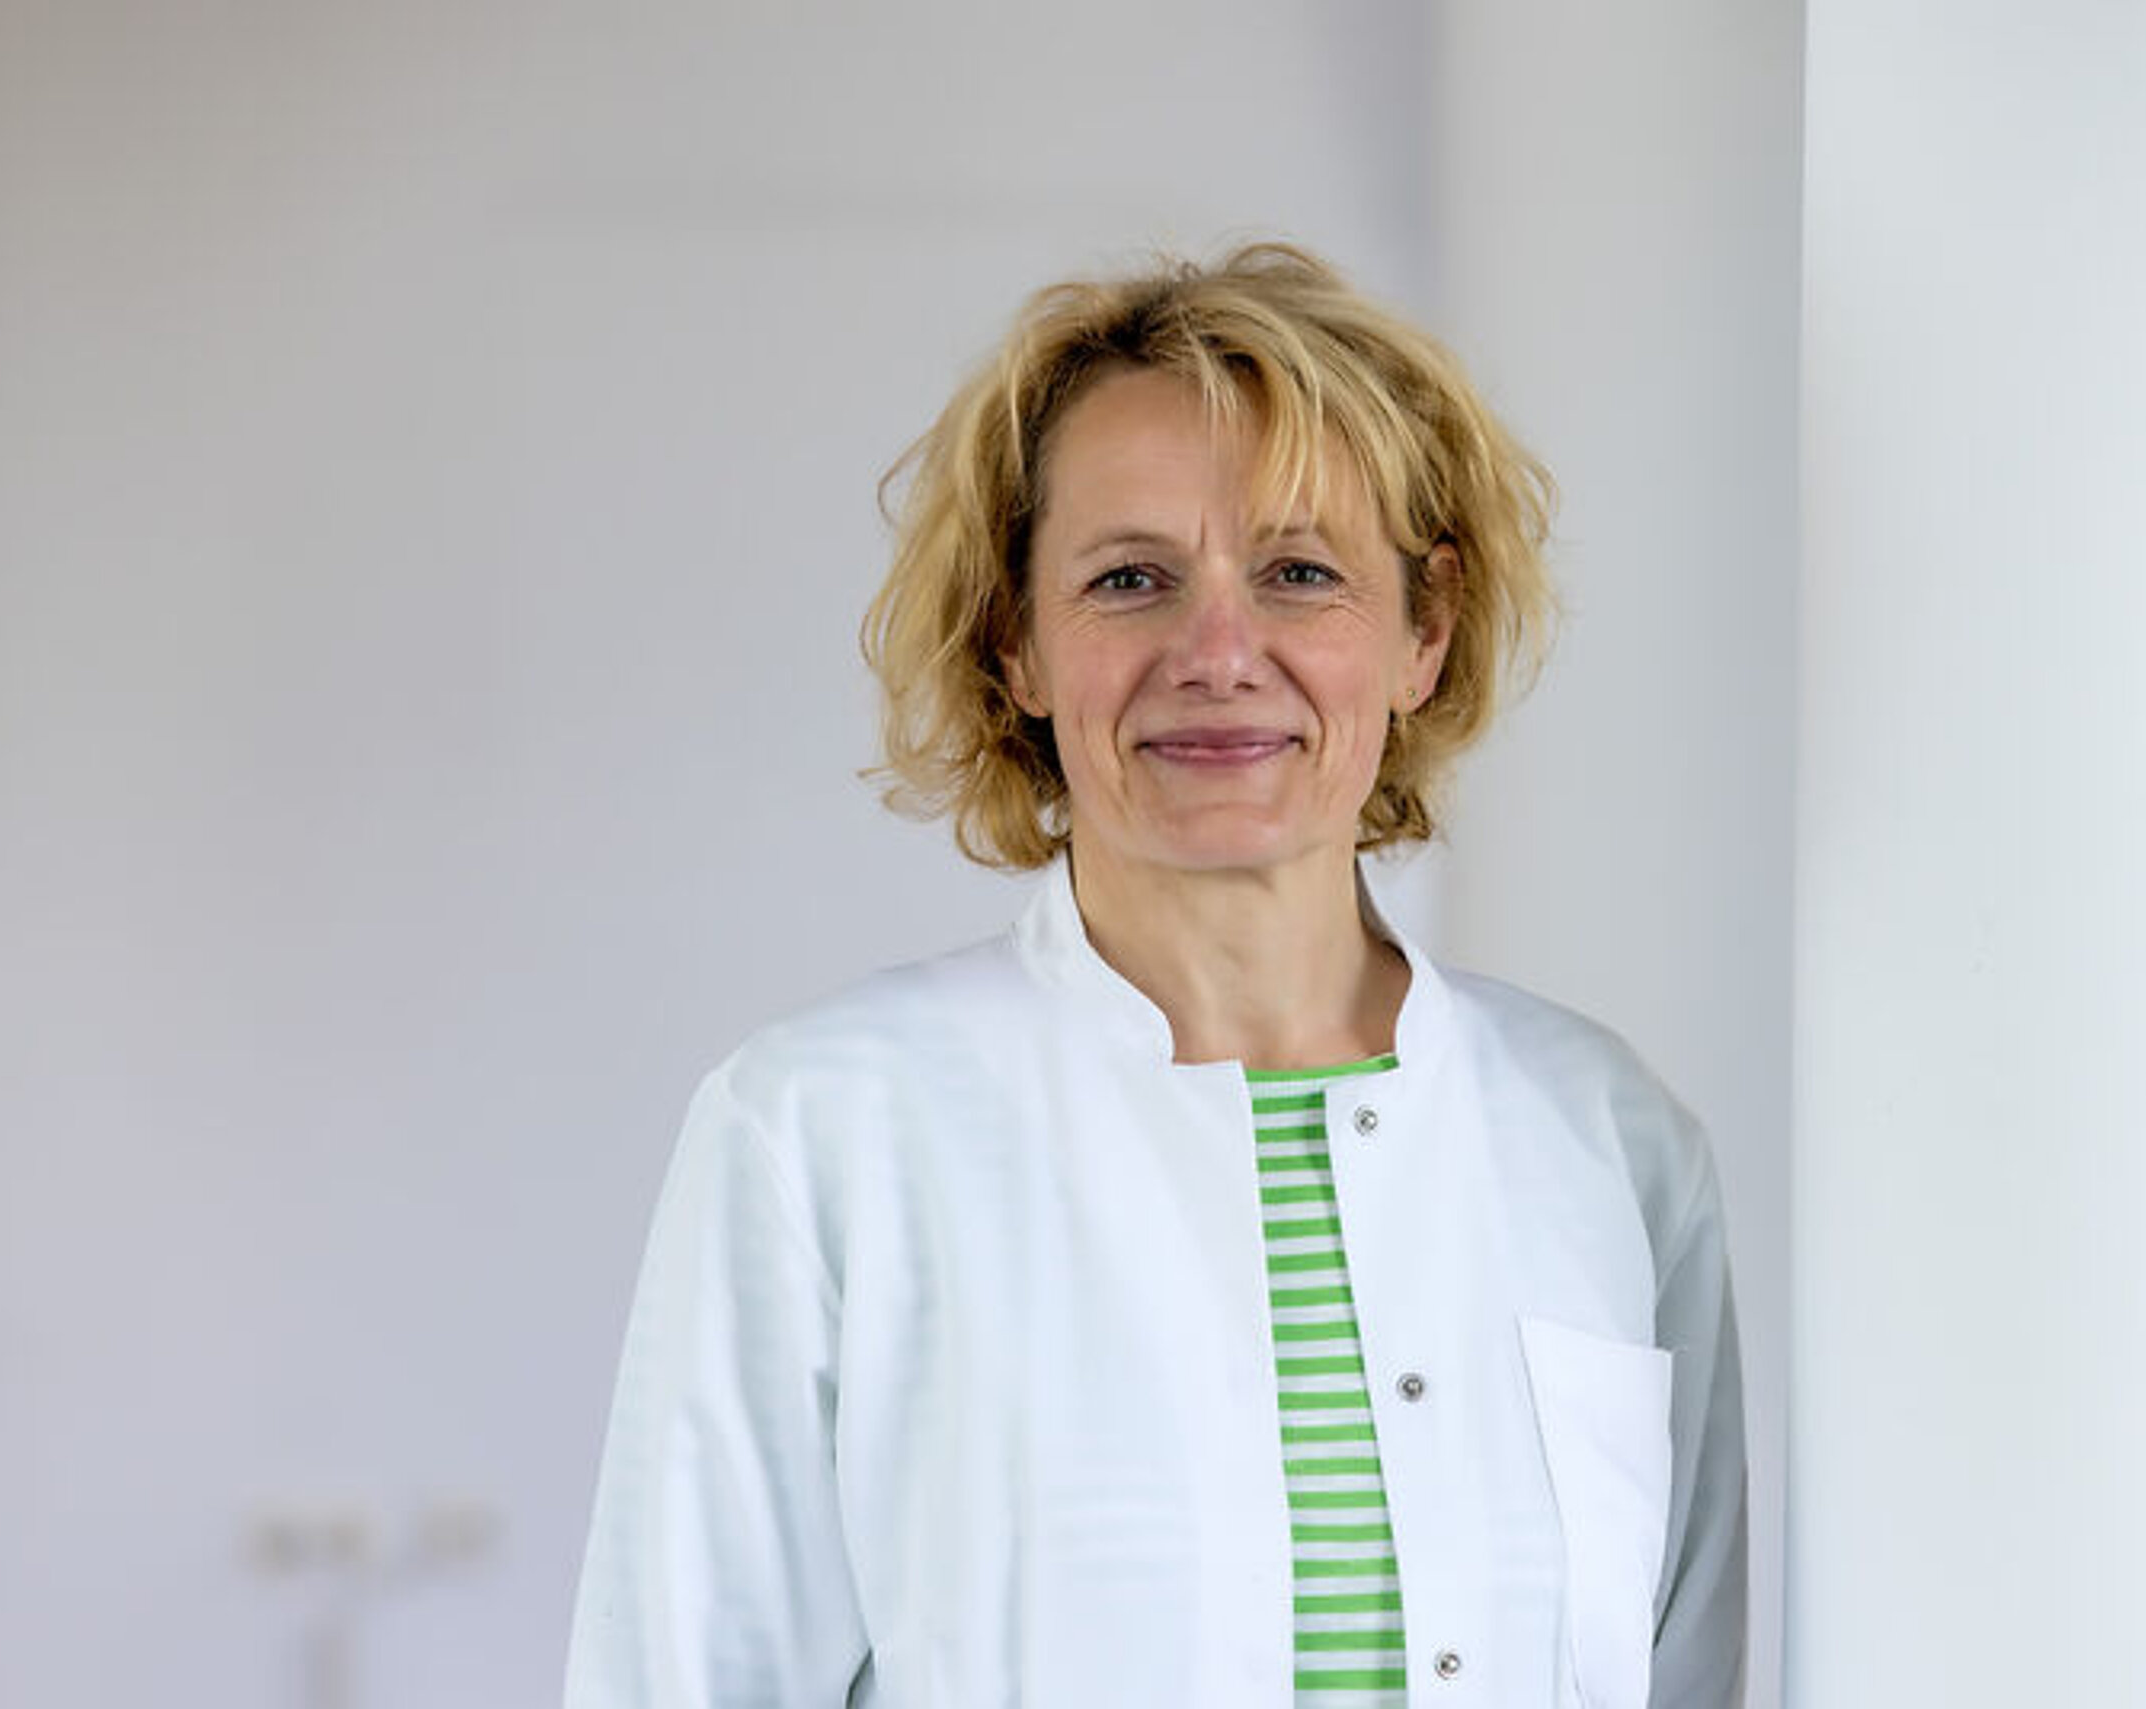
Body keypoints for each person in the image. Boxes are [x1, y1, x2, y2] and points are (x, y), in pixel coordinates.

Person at [565, 242, 1747, 1708]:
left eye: (1301, 574)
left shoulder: (1607, 1138)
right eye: (1131, 579)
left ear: (1424, 633)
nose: (1219, 653)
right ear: (1016, 642)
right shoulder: (822, 1132)